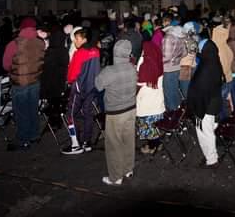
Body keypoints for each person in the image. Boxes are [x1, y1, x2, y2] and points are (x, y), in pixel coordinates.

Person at [95, 40, 137, 186]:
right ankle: (128, 169)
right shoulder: (132, 68)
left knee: (114, 144)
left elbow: (98, 85)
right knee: (128, 140)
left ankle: (115, 176)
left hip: (115, 112)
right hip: (131, 109)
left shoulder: (109, 71)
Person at [3, 17, 45, 151]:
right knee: (32, 109)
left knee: (21, 112)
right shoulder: (41, 43)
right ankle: (34, 135)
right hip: (35, 81)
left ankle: (23, 139)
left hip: (19, 83)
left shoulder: (14, 44)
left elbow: (5, 64)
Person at [187, 29, 224, 169]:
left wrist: (196, 108)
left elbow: (202, 90)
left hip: (206, 105)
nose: (199, 53)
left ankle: (212, 159)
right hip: (211, 102)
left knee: (206, 132)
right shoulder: (213, 62)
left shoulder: (207, 68)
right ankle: (209, 155)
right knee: (206, 131)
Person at [62, 27, 100, 155]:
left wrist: (69, 82)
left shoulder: (80, 53)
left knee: (70, 115)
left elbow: (72, 74)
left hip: (79, 88)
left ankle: (75, 144)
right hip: (91, 88)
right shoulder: (95, 51)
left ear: (84, 39)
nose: (75, 42)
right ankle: (86, 142)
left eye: (77, 39)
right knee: (88, 114)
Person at [136, 33, 165, 155]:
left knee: (148, 126)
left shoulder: (145, 65)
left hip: (146, 103)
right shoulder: (158, 62)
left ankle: (151, 147)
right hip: (157, 101)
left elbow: (139, 83)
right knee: (155, 125)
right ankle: (158, 144)